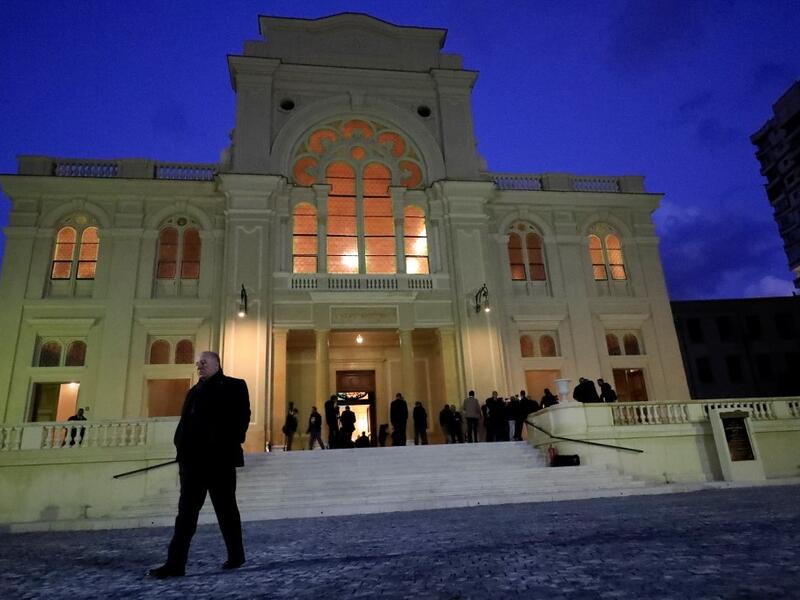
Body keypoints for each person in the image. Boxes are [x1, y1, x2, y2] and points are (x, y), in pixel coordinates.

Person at [149, 351, 250, 579]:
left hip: (219, 462)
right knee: (185, 516)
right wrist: (181, 448)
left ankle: (236, 555)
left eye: (203, 362)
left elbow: (242, 417)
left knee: (226, 512)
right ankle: (175, 564)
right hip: (192, 463)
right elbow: (185, 422)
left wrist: (227, 444)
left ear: (217, 363)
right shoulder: (193, 392)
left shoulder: (234, 386)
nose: (199, 366)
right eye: (198, 364)